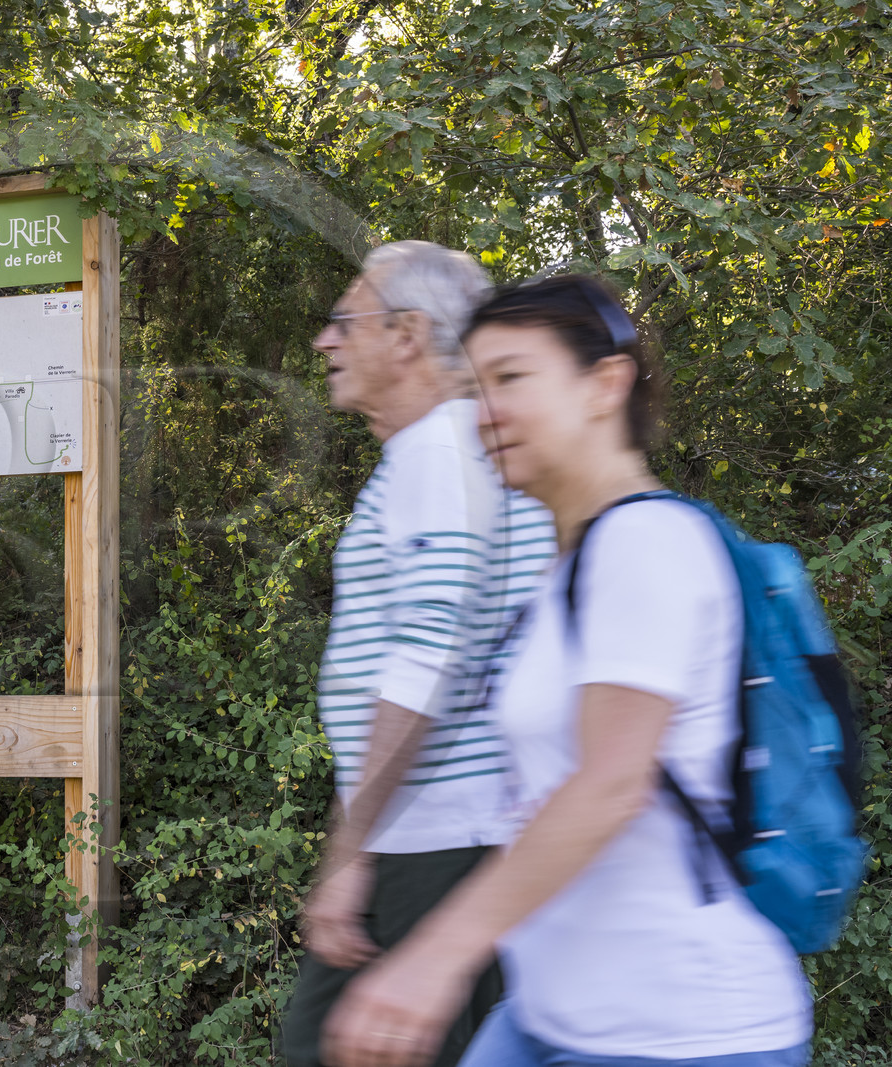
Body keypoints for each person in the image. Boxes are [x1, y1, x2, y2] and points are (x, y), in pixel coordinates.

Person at [320, 275, 812, 1067]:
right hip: (550, 1014)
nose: (486, 410)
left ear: (604, 385)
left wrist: (435, 957)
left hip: (680, 1032)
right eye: (476, 386)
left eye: (512, 377)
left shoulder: (646, 542)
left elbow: (608, 784)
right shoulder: (565, 567)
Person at [281, 242, 554, 1067]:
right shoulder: (463, 450)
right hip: (464, 832)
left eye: (343, 320)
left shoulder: (441, 454)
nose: (326, 342)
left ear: (405, 335)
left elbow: (429, 657)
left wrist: (351, 852)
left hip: (436, 837)